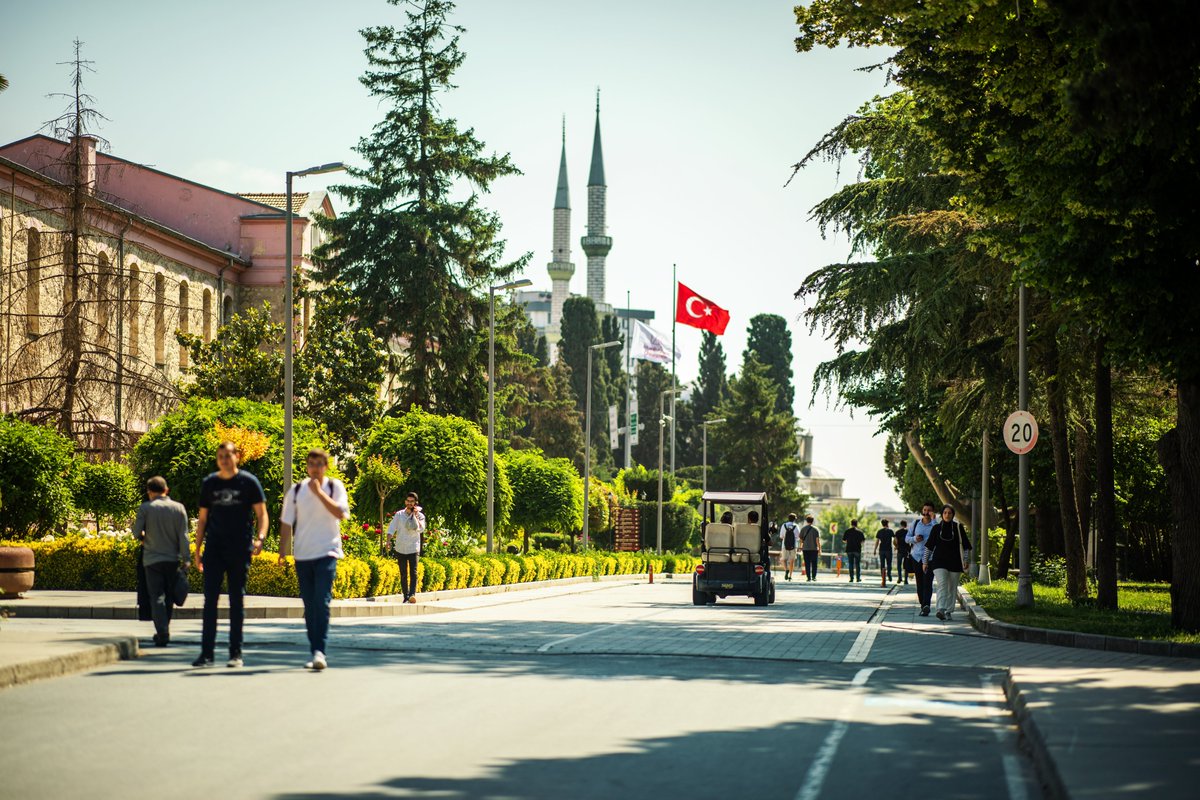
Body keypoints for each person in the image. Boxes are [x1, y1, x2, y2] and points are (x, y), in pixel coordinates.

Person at [192, 441, 268, 668]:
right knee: (210, 601)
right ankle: (206, 654)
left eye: (228, 455)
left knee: (236, 600)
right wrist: (197, 550)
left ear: (237, 456)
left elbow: (262, 514)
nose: (224, 460)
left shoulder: (248, 482)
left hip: (239, 548)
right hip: (214, 548)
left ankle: (236, 653)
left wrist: (260, 538)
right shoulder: (210, 483)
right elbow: (203, 519)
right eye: (221, 456)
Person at [279, 448, 349, 670]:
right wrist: (282, 551)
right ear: (307, 467)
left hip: (328, 552)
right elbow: (286, 522)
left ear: (326, 466)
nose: (315, 468)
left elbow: (340, 513)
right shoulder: (297, 490)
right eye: (311, 464)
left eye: (319, 464)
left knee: (322, 601)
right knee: (310, 605)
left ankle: (320, 651)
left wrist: (319, 493)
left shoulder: (334, 487)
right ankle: (314, 649)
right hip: (303, 554)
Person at [132, 476, 190, 647]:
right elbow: (184, 536)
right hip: (172, 559)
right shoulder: (178, 508)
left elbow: (136, 533)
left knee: (156, 596)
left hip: (151, 560)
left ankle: (162, 631)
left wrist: (145, 539)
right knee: (169, 596)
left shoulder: (146, 508)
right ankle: (164, 628)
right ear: (166, 490)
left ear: (149, 492)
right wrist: (186, 559)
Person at [924, 504, 972, 620]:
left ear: (953, 515)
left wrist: (966, 560)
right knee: (942, 583)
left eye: (949, 513)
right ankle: (940, 609)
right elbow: (929, 546)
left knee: (952, 588)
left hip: (955, 562)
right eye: (945, 513)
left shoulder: (958, 528)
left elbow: (966, 546)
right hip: (939, 561)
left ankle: (948, 611)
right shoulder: (936, 528)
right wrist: (925, 562)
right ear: (942, 514)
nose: (947, 515)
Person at [386, 492, 426, 603]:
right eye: (408, 501)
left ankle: (412, 595)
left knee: (413, 572)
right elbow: (391, 528)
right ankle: (406, 596)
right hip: (401, 548)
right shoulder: (399, 515)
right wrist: (388, 541)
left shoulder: (420, 516)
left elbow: (421, 529)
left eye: (412, 501)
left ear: (415, 503)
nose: (409, 503)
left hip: (413, 548)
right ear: (405, 502)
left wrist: (415, 516)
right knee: (403, 573)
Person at [907, 502, 937, 616]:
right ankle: (923, 605)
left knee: (928, 582)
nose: (926, 512)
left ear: (933, 512)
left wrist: (934, 520)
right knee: (919, 583)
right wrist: (915, 539)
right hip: (916, 557)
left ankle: (926, 605)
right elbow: (907, 538)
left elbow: (938, 535)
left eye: (929, 510)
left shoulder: (935, 525)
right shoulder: (915, 523)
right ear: (922, 511)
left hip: (930, 558)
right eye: (925, 510)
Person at [799, 516, 821, 582]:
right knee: (814, 563)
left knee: (807, 563)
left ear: (806, 521)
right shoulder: (816, 529)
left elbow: (801, 540)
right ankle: (814, 577)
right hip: (814, 549)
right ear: (812, 521)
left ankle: (808, 577)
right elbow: (817, 541)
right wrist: (819, 549)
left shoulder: (803, 529)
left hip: (805, 549)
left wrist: (801, 546)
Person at [780, 513, 800, 581]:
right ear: (794, 519)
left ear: (788, 518)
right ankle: (790, 576)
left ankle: (786, 570)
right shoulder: (796, 526)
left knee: (783, 559)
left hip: (784, 545)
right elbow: (798, 537)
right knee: (792, 561)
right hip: (793, 546)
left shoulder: (784, 525)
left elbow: (781, 536)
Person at [874, 519, 894, 587]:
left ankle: (883, 577)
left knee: (882, 564)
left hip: (881, 550)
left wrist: (875, 549)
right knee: (889, 563)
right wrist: (896, 546)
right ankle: (889, 573)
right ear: (887, 524)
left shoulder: (879, 531)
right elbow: (895, 540)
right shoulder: (890, 531)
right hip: (888, 550)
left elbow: (877, 541)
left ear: (882, 524)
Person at [894, 520, 911, 584]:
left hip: (900, 551)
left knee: (899, 565)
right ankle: (906, 580)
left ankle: (899, 578)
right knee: (906, 565)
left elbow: (895, 541)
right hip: (907, 550)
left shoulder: (897, 532)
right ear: (906, 525)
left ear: (901, 525)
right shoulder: (908, 532)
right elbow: (910, 541)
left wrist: (896, 546)